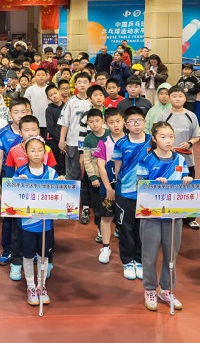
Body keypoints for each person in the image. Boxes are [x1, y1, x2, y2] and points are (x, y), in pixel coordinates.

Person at [137, 122, 191, 312]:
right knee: (149, 255)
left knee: (171, 255)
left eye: (171, 137)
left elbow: (185, 181)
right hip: (151, 216)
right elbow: (140, 186)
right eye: (163, 137)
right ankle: (150, 289)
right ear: (154, 139)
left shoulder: (180, 160)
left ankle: (166, 290)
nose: (168, 140)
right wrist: (153, 184)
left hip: (174, 217)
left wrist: (187, 180)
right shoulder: (146, 159)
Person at [15, 136, 60, 306]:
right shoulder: (21, 172)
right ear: (26, 153)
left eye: (40, 150)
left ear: (45, 152)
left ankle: (42, 286)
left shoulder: (52, 173)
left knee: (44, 255)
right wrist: (18, 184)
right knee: (27, 255)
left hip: (45, 224)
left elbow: (58, 197)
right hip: (27, 224)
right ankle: (31, 286)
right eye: (32, 150)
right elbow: (13, 196)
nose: (36, 154)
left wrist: (61, 185)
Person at [113, 107, 152, 281]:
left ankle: (140, 260)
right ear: (126, 124)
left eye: (139, 121)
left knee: (143, 229)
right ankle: (128, 261)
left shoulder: (152, 141)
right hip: (125, 193)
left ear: (144, 122)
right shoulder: (121, 143)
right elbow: (118, 168)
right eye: (132, 122)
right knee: (126, 229)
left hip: (147, 194)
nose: (136, 125)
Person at [0, 98, 31, 276]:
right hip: (9, 181)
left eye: (24, 111)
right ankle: (7, 249)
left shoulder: (33, 131)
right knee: (9, 217)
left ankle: (29, 249)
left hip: (30, 183)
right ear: (10, 114)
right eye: (16, 112)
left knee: (29, 215)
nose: (20, 115)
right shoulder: (3, 133)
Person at [157, 86, 200, 229]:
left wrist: (189, 143)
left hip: (187, 159)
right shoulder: (163, 115)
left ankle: (190, 218)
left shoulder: (191, 115)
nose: (177, 99)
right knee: (168, 186)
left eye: (180, 96)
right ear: (169, 98)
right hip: (167, 159)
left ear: (185, 98)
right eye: (174, 96)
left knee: (188, 187)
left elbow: (197, 136)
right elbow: (156, 135)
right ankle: (167, 212)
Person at [93, 108, 126, 264]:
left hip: (127, 188)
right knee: (106, 217)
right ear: (106, 124)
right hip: (108, 187)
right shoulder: (103, 143)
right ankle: (106, 247)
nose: (116, 125)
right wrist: (108, 188)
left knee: (127, 220)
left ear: (123, 121)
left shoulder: (130, 140)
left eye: (118, 121)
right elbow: (101, 167)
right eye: (111, 122)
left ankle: (130, 249)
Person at [83, 108, 110, 243]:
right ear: (88, 123)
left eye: (97, 120)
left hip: (110, 177)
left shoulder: (110, 134)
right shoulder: (88, 139)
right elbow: (87, 160)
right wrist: (92, 177)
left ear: (103, 121)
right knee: (98, 206)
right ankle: (100, 228)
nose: (94, 124)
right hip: (97, 179)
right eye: (91, 122)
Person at [23, 68, 51, 140]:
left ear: (47, 76)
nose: (41, 77)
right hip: (34, 119)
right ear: (35, 76)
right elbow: (25, 103)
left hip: (47, 121)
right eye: (38, 75)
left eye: (43, 75)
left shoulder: (50, 89)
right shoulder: (30, 89)